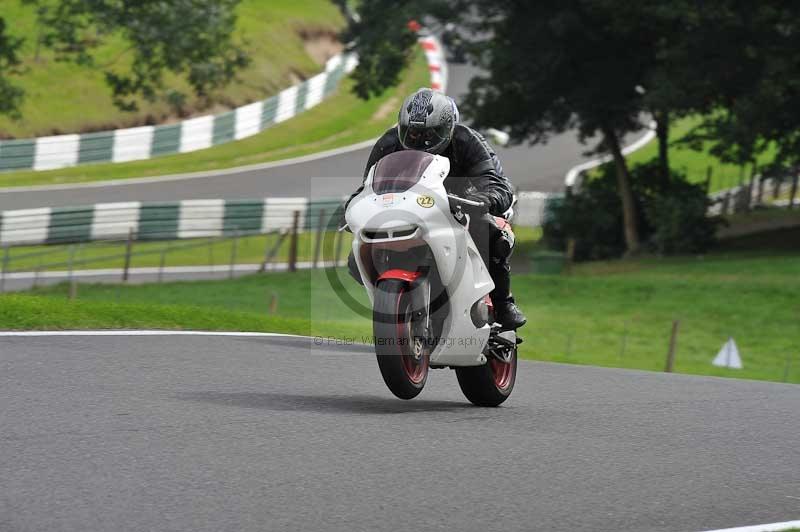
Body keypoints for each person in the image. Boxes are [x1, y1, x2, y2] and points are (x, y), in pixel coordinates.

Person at [345, 87, 527, 330]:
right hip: (412, 206)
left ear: (449, 128)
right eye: (412, 134)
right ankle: (399, 305)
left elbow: (494, 183)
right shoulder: (389, 143)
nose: (420, 142)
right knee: (356, 261)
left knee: (491, 233)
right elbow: (370, 186)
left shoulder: (468, 141)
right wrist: (355, 206)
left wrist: (486, 198)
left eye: (431, 134)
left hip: (464, 202)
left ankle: (503, 302)